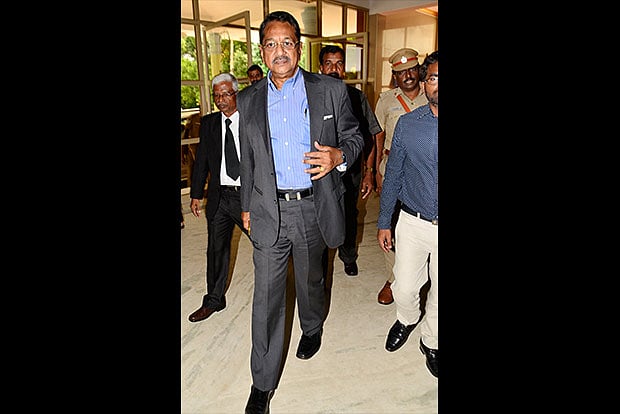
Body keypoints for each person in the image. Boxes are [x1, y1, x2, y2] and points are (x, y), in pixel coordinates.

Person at [236, 11, 363, 414]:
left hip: (312, 204)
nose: (280, 51)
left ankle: (312, 327)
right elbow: (248, 159)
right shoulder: (247, 99)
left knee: (310, 281)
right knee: (266, 297)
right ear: (261, 51)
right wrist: (246, 206)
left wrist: (339, 156)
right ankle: (262, 382)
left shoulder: (330, 90)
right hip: (267, 209)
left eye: (287, 43)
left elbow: (355, 136)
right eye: (271, 44)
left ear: (299, 47)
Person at [376, 50, 438, 378]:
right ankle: (407, 318)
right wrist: (384, 221)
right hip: (413, 220)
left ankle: (432, 341)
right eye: (434, 77)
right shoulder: (408, 124)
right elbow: (393, 175)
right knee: (404, 287)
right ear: (426, 83)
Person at [186, 72, 249, 323]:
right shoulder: (210, 123)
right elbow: (201, 161)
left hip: (247, 198)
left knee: (267, 247)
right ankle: (214, 299)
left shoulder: (252, 119)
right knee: (216, 250)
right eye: (217, 96)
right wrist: (196, 194)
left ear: (236, 94)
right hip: (219, 197)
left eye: (226, 94)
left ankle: (283, 291)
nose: (221, 100)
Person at [318, 44, 382, 276]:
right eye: (329, 63)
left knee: (348, 216)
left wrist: (368, 172)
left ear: (344, 68)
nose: (334, 69)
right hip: (320, 171)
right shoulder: (310, 96)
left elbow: (369, 137)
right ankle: (320, 263)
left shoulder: (357, 97)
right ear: (321, 67)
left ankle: (348, 257)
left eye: (339, 64)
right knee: (319, 216)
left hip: (350, 172)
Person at [373, 47, 428, 305]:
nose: (408, 75)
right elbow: (378, 137)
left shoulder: (432, 95)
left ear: (419, 70)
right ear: (394, 76)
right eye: (401, 72)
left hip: (424, 173)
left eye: (412, 69)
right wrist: (374, 171)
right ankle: (392, 277)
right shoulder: (386, 100)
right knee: (390, 224)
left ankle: (423, 276)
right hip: (392, 169)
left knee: (422, 224)